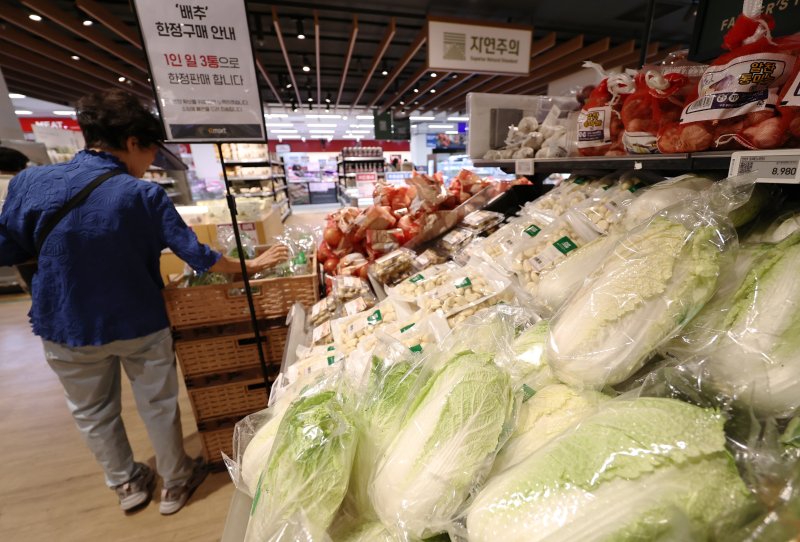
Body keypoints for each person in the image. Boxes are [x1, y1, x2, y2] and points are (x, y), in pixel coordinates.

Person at [0, 89, 288, 515]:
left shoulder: (29, 182)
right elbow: (198, 256)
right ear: (133, 142)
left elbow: (7, 250)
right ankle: (174, 482)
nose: (150, 162)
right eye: (151, 150)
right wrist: (252, 265)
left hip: (65, 322)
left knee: (91, 410)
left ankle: (127, 485)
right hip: (139, 320)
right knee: (157, 403)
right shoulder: (142, 195)